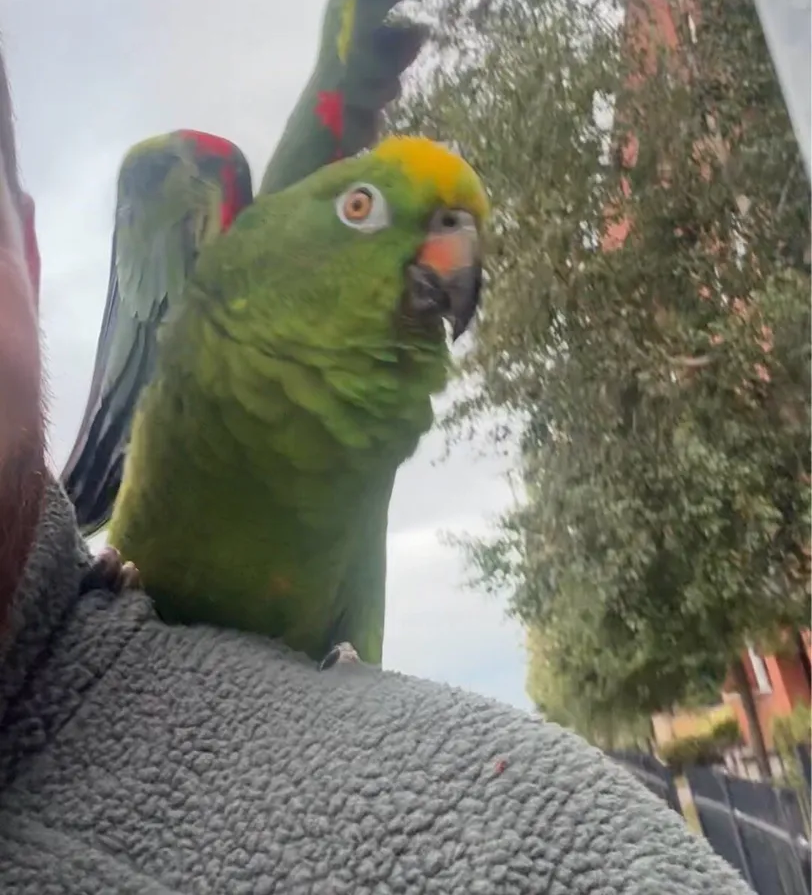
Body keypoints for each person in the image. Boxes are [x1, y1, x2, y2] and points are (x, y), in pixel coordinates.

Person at [0, 46, 748, 893]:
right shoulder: (206, 313)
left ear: (26, 255)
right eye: (361, 206)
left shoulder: (519, 842)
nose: (448, 246)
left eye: (456, 228)